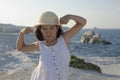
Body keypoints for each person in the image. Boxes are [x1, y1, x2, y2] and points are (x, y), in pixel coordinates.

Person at [16, 11, 86, 80]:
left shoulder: (64, 38)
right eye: (44, 29)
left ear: (57, 28)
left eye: (51, 28)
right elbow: (20, 48)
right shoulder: (40, 45)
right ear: (40, 30)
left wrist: (69, 16)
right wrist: (21, 33)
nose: (48, 32)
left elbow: (83, 22)